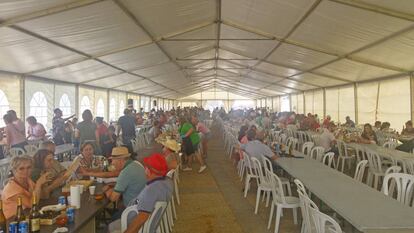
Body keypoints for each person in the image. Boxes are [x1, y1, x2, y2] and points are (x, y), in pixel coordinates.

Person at [108, 153, 173, 233]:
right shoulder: (167, 182)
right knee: (116, 214)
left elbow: (142, 218)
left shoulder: (151, 190)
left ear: (149, 171)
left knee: (109, 226)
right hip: (149, 221)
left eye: (145, 168)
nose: (144, 170)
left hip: (134, 224)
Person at [102, 147, 146, 219]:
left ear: (120, 160)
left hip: (133, 211)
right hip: (142, 205)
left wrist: (107, 190)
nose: (112, 163)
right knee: (116, 211)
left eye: (113, 160)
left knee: (109, 225)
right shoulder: (137, 164)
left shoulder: (125, 172)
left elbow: (113, 198)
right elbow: (128, 183)